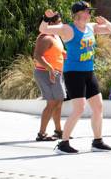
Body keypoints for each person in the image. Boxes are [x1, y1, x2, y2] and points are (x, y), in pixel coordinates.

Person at [39, 2, 111, 154]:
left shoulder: (91, 27)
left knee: (98, 106)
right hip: (73, 73)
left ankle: (97, 141)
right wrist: (46, 18)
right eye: (88, 11)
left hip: (89, 72)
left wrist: (105, 22)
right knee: (79, 108)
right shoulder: (68, 29)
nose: (90, 14)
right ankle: (63, 143)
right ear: (79, 13)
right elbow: (43, 29)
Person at [33, 11, 66, 141]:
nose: (61, 24)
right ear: (51, 24)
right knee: (52, 103)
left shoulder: (56, 37)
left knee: (58, 101)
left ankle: (58, 131)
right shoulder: (45, 37)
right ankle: (41, 134)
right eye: (59, 22)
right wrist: (51, 68)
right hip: (46, 73)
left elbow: (58, 53)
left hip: (56, 73)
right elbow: (37, 56)